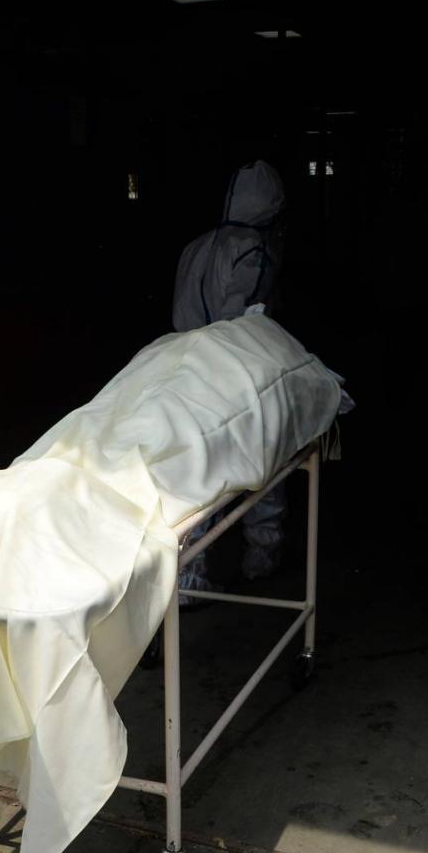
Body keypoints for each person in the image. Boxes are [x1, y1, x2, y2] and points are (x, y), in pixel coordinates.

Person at [172, 160, 289, 592]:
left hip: (182, 369)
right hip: (233, 374)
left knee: (195, 471)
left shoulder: (197, 246)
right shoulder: (254, 250)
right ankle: (261, 559)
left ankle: (188, 575)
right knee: (262, 467)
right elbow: (241, 320)